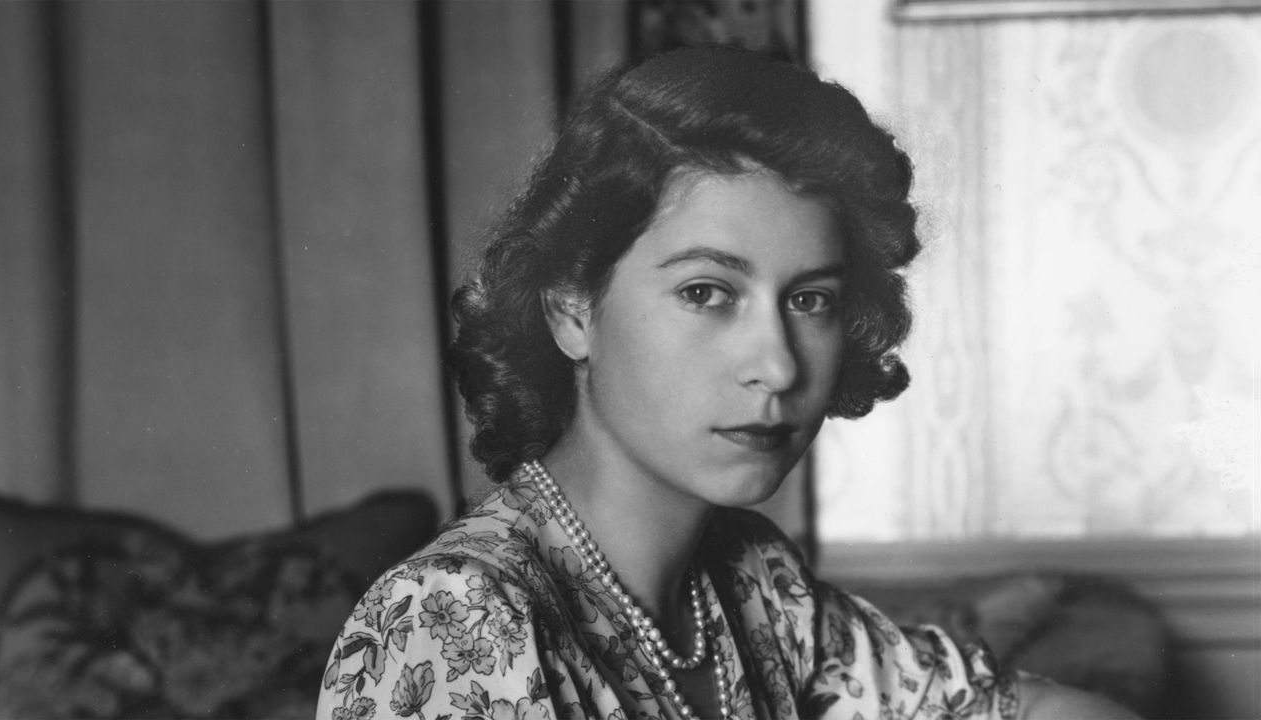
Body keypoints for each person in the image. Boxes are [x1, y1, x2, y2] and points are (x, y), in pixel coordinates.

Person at [316, 45, 1136, 720]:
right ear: (571, 311)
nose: (777, 365)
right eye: (706, 293)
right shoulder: (453, 616)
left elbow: (1016, 708)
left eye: (810, 300)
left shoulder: (752, 581)